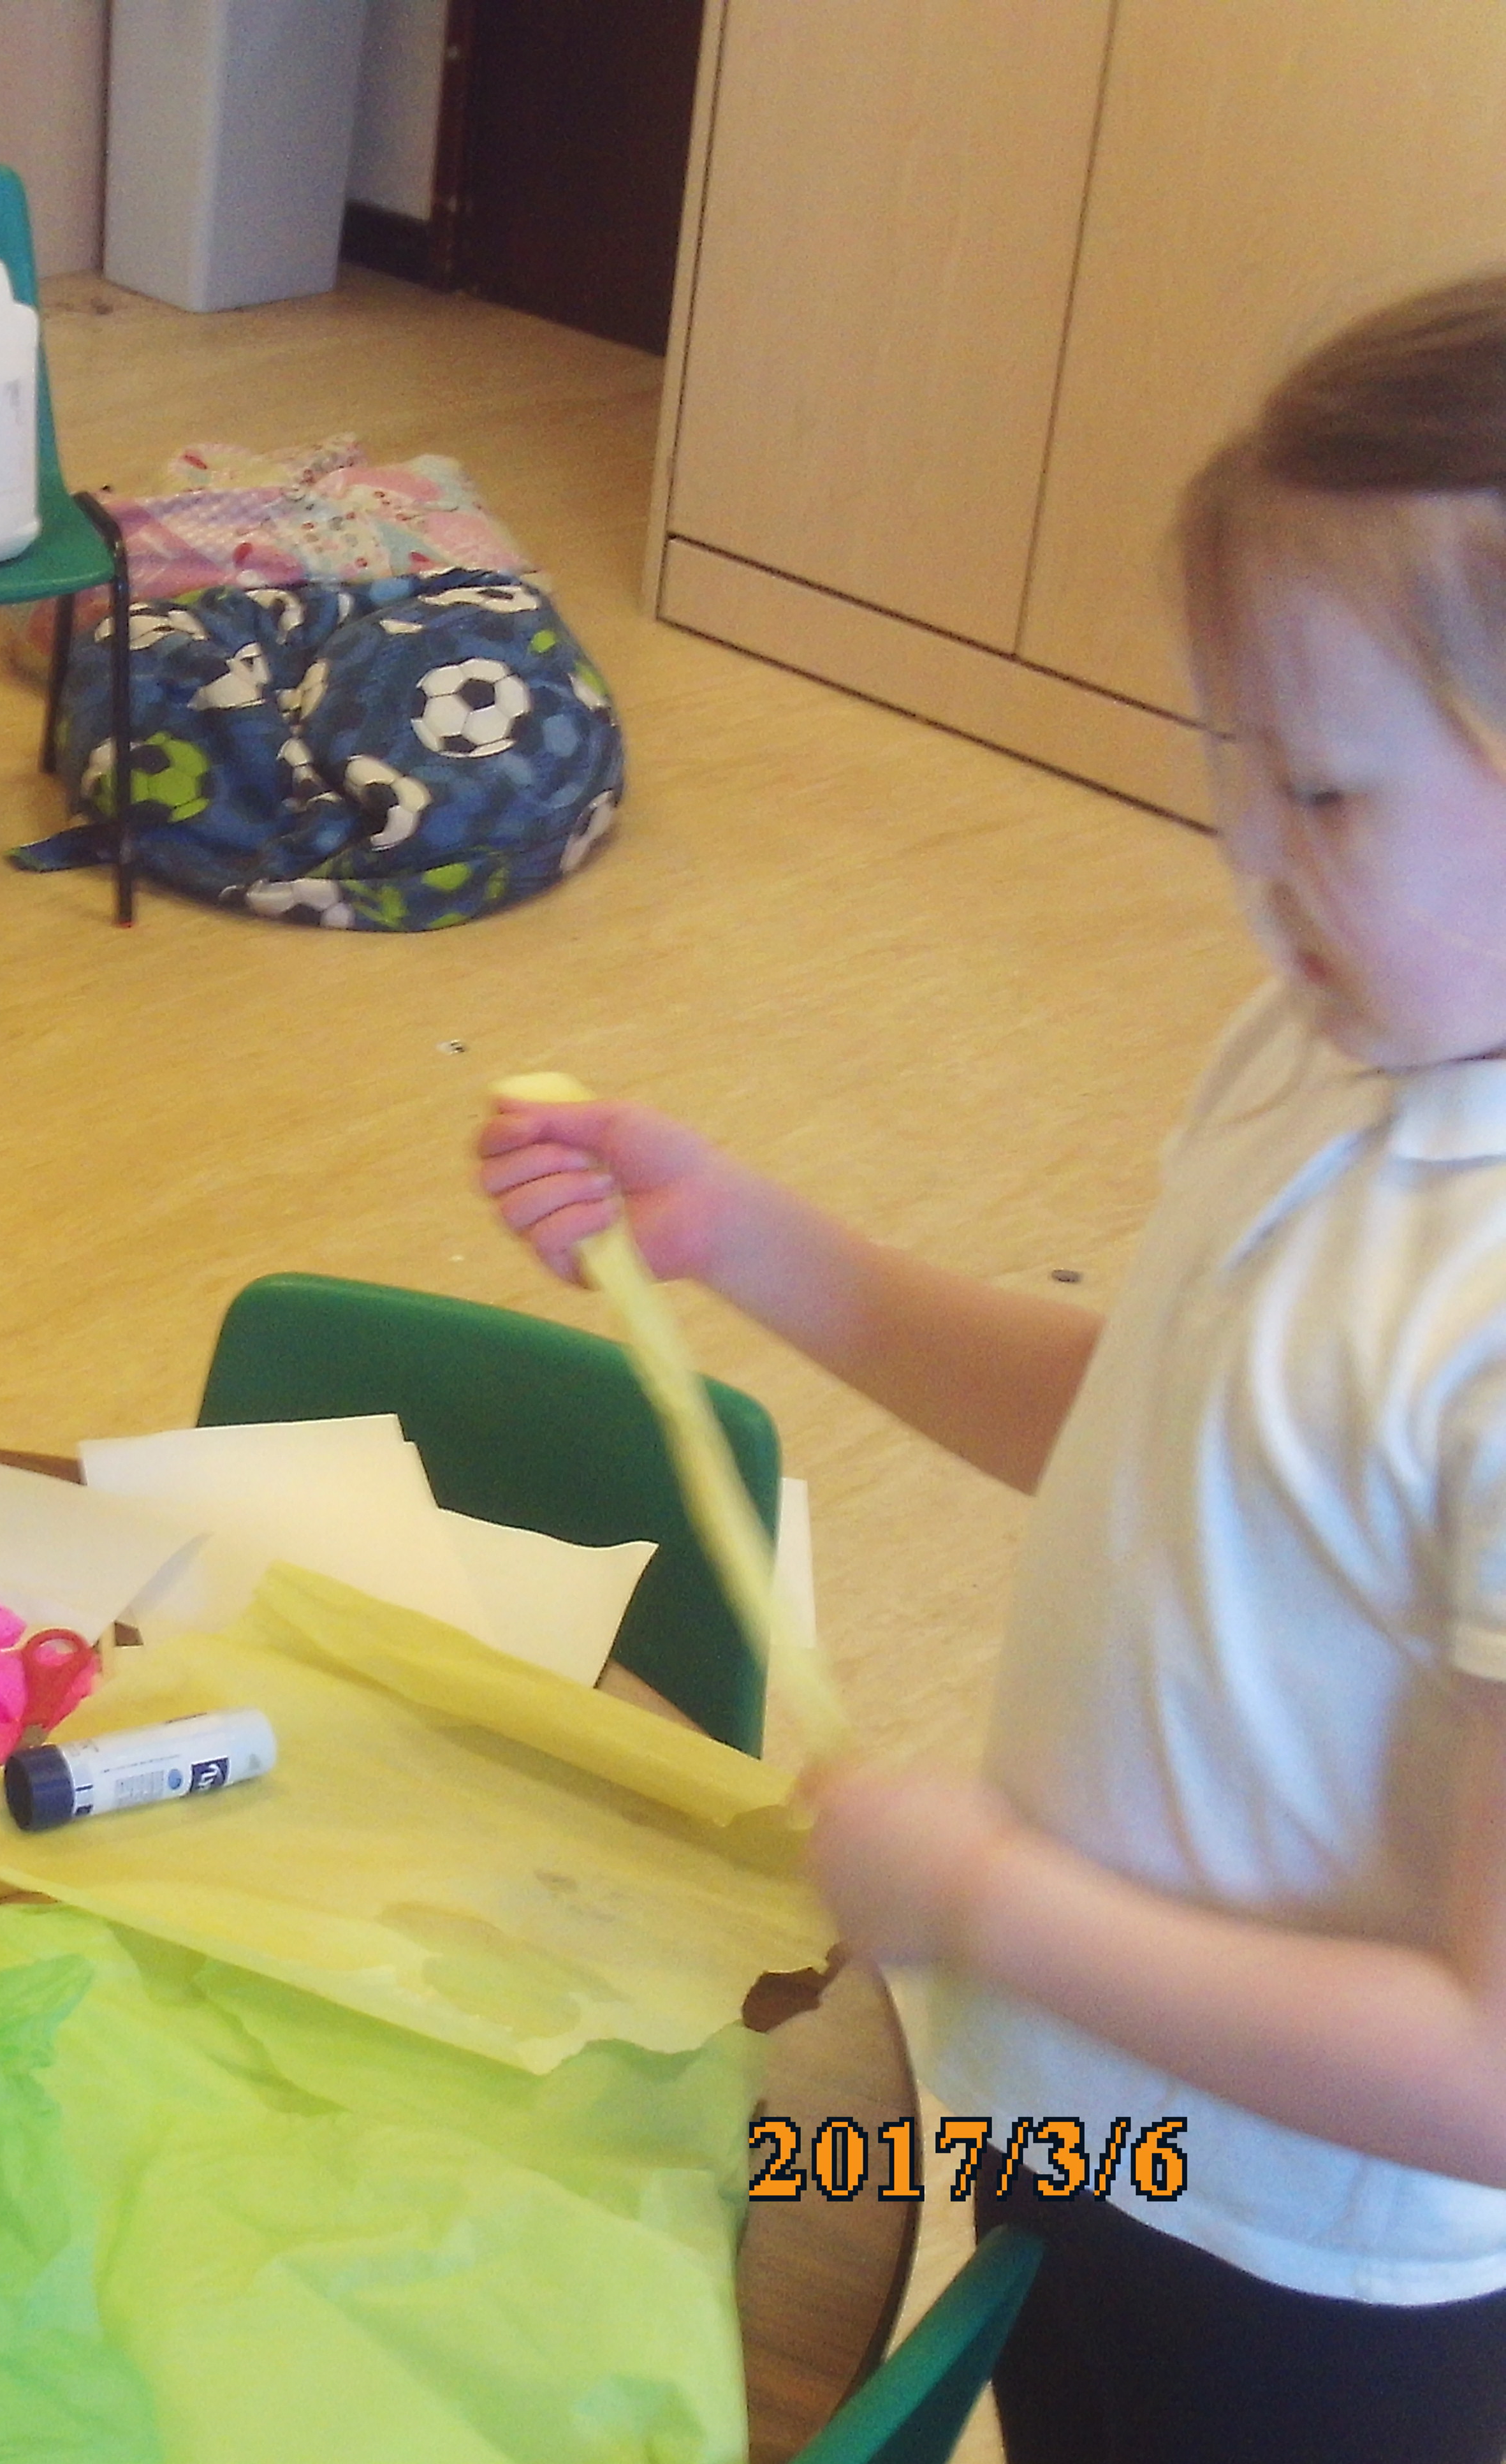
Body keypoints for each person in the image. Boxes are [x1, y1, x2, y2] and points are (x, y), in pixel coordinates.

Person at [480, 274, 1506, 2464]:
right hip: (1080, 2120)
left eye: (1326, 793)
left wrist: (981, 1899)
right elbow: (1161, 1438)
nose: (1249, 861)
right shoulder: (1323, 1044)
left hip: (1310, 2282)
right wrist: (751, 1239)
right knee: (1009, 2360)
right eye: (1237, 772)